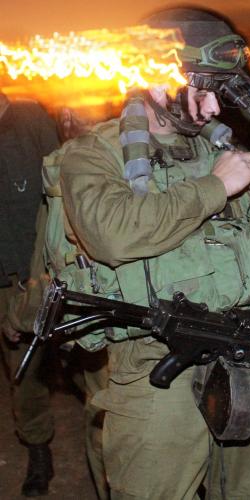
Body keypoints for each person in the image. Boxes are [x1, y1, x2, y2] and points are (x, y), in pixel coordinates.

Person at [46, 8, 250, 499]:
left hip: (240, 353)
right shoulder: (92, 155)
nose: (213, 110)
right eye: (204, 92)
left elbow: (241, 242)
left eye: (219, 95)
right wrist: (215, 186)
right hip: (154, 367)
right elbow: (113, 236)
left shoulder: (214, 151)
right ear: (160, 77)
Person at [0, 90, 60, 497]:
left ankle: (39, 449)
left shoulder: (30, 117)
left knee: (28, 368)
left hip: (28, 271)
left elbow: (60, 187)